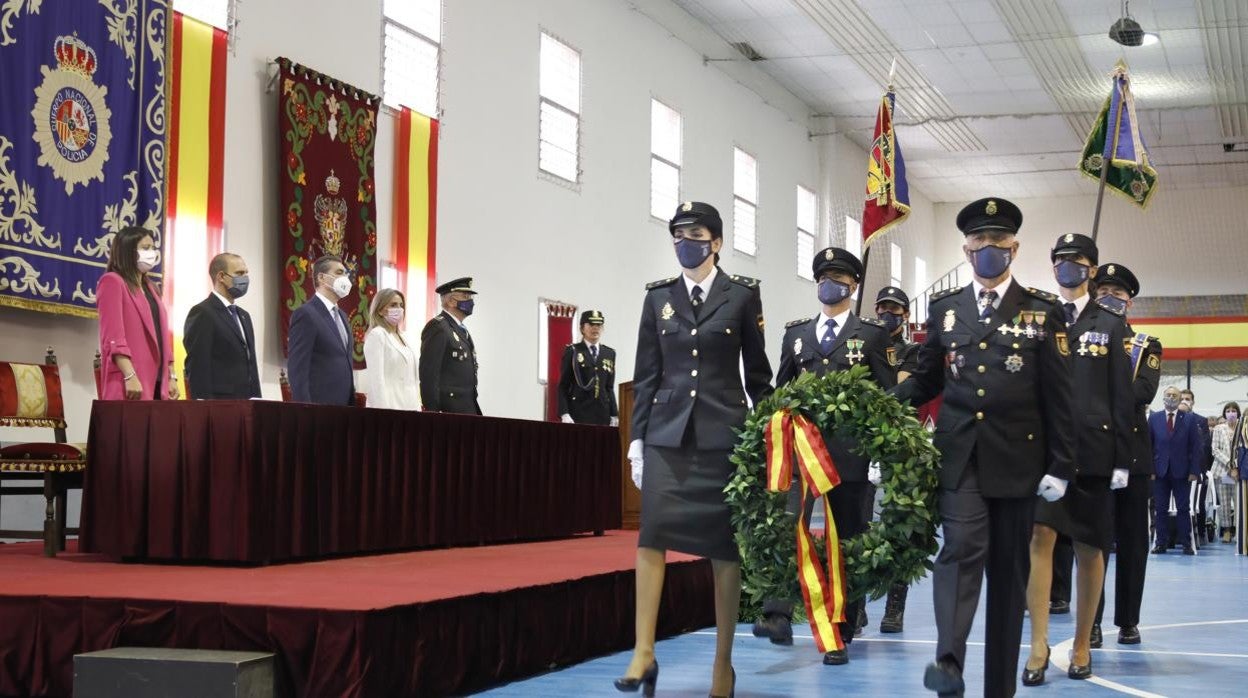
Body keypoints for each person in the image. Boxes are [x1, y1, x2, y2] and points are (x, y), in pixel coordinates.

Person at [892, 197, 1075, 698]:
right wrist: (881, 403)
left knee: (1009, 573)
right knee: (960, 549)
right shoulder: (945, 310)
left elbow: (1060, 395)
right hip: (962, 455)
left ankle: (1000, 688)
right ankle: (948, 662)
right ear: (966, 249)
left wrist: (1062, 465)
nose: (988, 250)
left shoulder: (1042, 311)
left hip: (1020, 461)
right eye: (979, 243)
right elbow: (927, 377)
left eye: (998, 242)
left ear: (1014, 248)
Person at [617, 201, 772, 698]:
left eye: (697, 233)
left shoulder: (743, 297)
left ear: (717, 242)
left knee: (725, 553)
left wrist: (769, 435)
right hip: (668, 436)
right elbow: (647, 374)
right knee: (651, 539)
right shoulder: (658, 298)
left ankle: (723, 665)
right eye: (679, 234)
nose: (687, 241)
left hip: (724, 437)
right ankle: (644, 651)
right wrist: (637, 440)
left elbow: (759, 375)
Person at [751, 247, 895, 664]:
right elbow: (781, 392)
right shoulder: (796, 335)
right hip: (802, 454)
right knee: (787, 526)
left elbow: (884, 396)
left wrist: (877, 452)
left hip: (849, 456)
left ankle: (842, 626)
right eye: (822, 278)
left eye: (836, 278)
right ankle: (777, 614)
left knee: (847, 540)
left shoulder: (871, 334)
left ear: (852, 285)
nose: (827, 285)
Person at [1021, 233, 1133, 686]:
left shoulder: (1109, 322)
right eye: (1062, 260)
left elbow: (1122, 396)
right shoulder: (1036, 318)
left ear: (1092, 268)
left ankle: (1084, 641)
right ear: (1052, 268)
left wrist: (1122, 458)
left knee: (1090, 547)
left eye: (1078, 261)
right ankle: (1038, 644)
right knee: (1040, 537)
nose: (1069, 267)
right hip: (1046, 451)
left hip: (1094, 450)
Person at [1090, 262, 1162, 647]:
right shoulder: (1081, 341)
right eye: (1103, 292)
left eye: (1117, 295)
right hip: (1095, 457)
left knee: (1133, 543)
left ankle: (1128, 621)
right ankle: (1094, 621)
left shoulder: (1145, 345)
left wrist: (1095, 390)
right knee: (1095, 542)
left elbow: (1142, 394)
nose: (1109, 299)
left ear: (1129, 301)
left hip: (1133, 459)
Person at [875, 285, 919, 633]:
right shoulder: (862, 345)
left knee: (899, 529)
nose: (887, 314)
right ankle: (855, 607)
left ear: (905, 315)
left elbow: (902, 390)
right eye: (882, 308)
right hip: (863, 444)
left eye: (894, 309)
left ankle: (894, 607)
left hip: (900, 449)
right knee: (857, 527)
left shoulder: (913, 352)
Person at [96, 226, 179, 401]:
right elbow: (113, 337)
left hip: (158, 381)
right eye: (146, 248)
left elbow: (162, 335)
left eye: (153, 247)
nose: (152, 252)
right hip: (130, 381)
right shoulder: (112, 281)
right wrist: (129, 375)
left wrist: (171, 376)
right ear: (128, 251)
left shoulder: (152, 287)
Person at [183, 253, 261, 399]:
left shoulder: (244, 316)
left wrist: (257, 398)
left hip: (246, 402)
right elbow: (198, 365)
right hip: (219, 404)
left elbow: (251, 363)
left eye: (246, 273)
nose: (245, 278)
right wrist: (204, 407)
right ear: (221, 277)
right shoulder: (203, 312)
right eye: (239, 273)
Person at [286, 254, 356, 405]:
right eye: (339, 273)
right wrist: (304, 410)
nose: (345, 278)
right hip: (319, 406)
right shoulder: (306, 314)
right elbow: (297, 368)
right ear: (322, 278)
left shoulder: (342, 316)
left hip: (344, 405)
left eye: (345, 273)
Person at [1149, 386, 1204, 555]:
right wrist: (1150, 469)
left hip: (1182, 472)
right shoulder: (1154, 418)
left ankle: (1186, 543)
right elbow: (1148, 446)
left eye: (1174, 395)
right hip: (1160, 471)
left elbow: (1196, 447)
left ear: (1180, 399)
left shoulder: (1188, 419)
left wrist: (1194, 470)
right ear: (1163, 397)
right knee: (1161, 509)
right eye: (1168, 395)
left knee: (1183, 509)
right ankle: (1161, 543)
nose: (1171, 397)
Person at [418, 277, 481, 414]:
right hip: (448, 410)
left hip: (466, 407)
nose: (471, 301)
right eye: (466, 296)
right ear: (452, 301)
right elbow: (429, 375)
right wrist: (432, 413)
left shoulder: (460, 330)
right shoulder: (438, 327)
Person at [557, 310, 619, 426]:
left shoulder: (609, 353)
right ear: (582, 328)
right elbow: (563, 386)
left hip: (602, 414)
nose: (595, 328)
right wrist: (564, 413)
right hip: (578, 413)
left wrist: (614, 414)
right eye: (591, 325)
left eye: (599, 325)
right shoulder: (573, 351)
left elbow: (609, 387)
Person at [362, 288, 420, 410]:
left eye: (401, 305)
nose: (399, 309)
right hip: (389, 406)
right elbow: (376, 380)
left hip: (410, 405)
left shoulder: (405, 337)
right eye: (393, 305)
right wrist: (384, 413)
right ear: (380, 310)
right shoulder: (377, 335)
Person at [1181, 389, 1214, 546]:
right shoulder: (1173, 419)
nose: (1185, 401)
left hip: (1196, 467)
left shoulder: (1201, 420)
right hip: (1177, 468)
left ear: (1193, 402)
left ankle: (1200, 533)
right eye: (1183, 398)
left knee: (1197, 504)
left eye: (1188, 399)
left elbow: (1204, 446)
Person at [1212, 402, 1241, 543]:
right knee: (1224, 503)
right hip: (1222, 471)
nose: (1231, 413)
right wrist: (1230, 464)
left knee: (1238, 502)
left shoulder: (1242, 428)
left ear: (1238, 413)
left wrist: (1236, 466)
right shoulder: (1218, 428)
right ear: (1225, 413)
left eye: (1234, 410)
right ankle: (1227, 530)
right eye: (1228, 411)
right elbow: (1215, 450)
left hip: (1239, 472)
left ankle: (1238, 530)